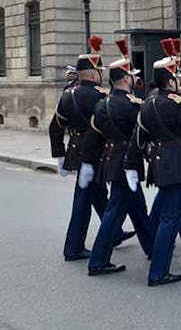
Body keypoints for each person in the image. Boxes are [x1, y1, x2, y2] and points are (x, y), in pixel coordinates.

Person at [134, 39, 181, 286]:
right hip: (178, 165)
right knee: (170, 218)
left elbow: (139, 137)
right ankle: (158, 271)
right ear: (170, 81)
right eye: (178, 76)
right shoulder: (177, 104)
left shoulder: (148, 103)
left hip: (162, 163)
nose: (180, 80)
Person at [86, 39, 154, 276]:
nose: (135, 78)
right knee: (114, 211)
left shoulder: (102, 103)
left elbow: (95, 134)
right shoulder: (132, 105)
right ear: (125, 78)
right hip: (128, 161)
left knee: (138, 208)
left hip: (111, 158)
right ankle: (98, 261)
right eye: (132, 75)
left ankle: (153, 247)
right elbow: (144, 132)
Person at [49, 36, 119, 262]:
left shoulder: (67, 95)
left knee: (97, 194)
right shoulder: (100, 96)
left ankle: (114, 232)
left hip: (75, 148)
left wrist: (59, 154)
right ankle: (74, 247)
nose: (101, 74)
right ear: (90, 73)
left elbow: (55, 127)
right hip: (95, 152)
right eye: (99, 70)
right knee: (83, 201)